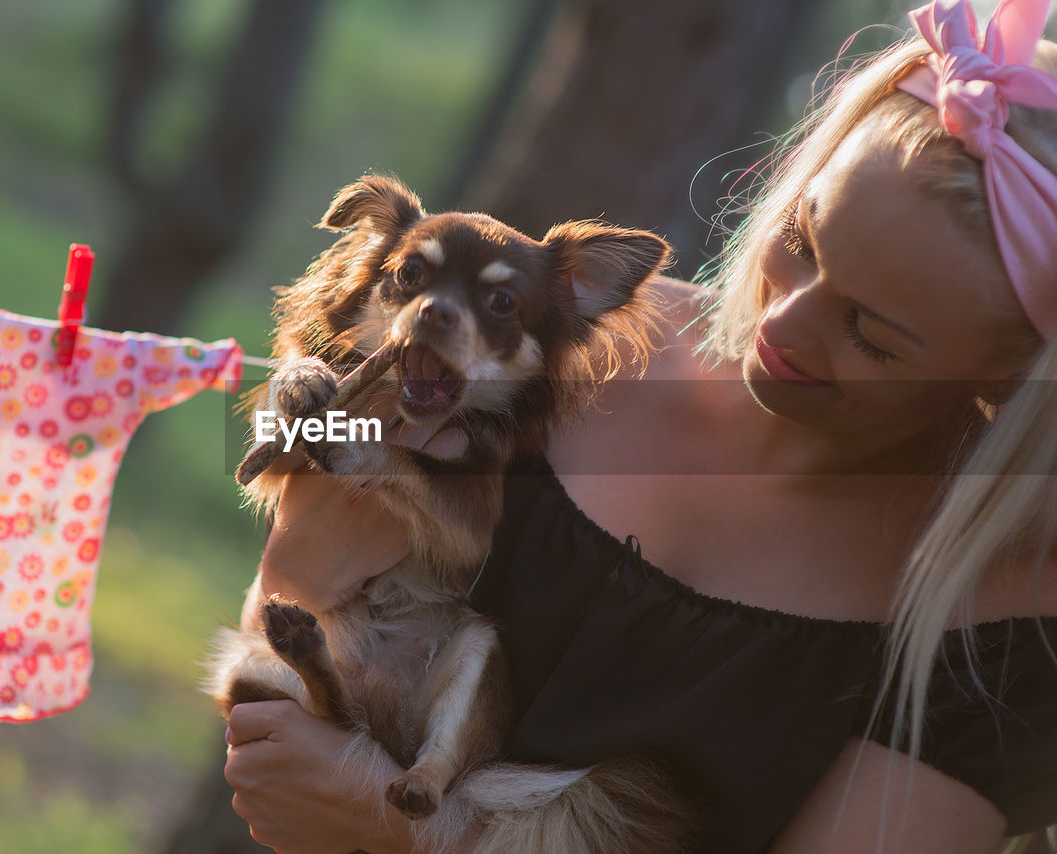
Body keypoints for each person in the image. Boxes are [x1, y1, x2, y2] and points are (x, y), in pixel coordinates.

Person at [222, 0, 1057, 851]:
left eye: (870, 333)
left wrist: (417, 834)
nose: (786, 325)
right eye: (802, 241)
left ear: (1019, 374)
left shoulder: (1008, 615)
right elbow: (293, 597)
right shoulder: (569, 351)